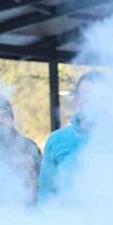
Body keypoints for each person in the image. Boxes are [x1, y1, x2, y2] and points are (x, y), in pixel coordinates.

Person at [38, 71, 100, 202]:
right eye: (86, 97)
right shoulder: (56, 140)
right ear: (77, 100)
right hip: (67, 219)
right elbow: (46, 194)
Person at [0, 95, 42, 204]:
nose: (0, 120)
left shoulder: (28, 147)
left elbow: (42, 181)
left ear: (12, 119)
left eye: (4, 116)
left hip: (25, 210)